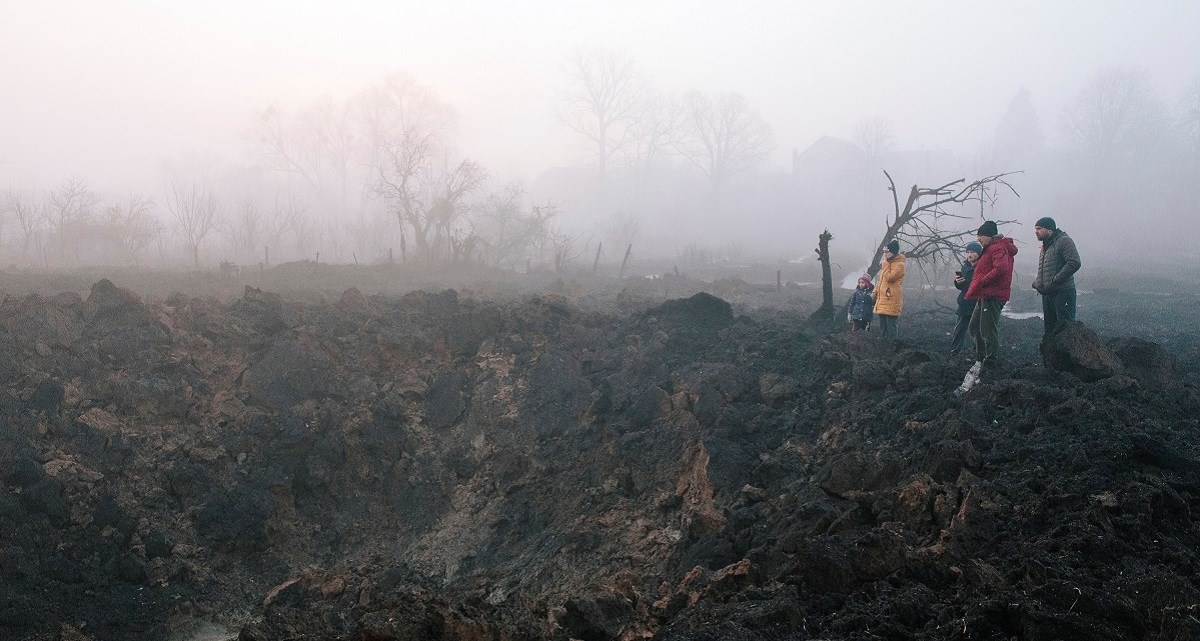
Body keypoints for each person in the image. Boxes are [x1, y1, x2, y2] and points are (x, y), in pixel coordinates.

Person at [964, 221, 1017, 373]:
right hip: (985, 294)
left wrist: (983, 281)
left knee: (987, 329)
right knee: (974, 326)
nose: (978, 239)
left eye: (980, 236)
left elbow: (1001, 268)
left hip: (993, 295)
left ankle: (990, 360)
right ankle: (981, 356)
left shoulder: (997, 248)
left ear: (988, 235)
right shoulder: (990, 249)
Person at [1031, 216, 1081, 336]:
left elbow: (1074, 262)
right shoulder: (1046, 245)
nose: (1036, 232)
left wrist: (1056, 280)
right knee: (1050, 331)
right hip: (1048, 293)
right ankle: (1052, 355)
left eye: (1039, 228)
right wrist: (1038, 283)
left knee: (1066, 330)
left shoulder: (1064, 241)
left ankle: (1067, 355)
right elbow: (1045, 268)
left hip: (1063, 292)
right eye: (1035, 229)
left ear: (1049, 230)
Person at [949, 241, 982, 354]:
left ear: (978, 253)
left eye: (972, 252)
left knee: (978, 331)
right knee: (959, 330)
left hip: (977, 304)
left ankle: (978, 353)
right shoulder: (966, 267)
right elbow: (962, 287)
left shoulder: (982, 268)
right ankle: (955, 352)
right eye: (967, 252)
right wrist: (958, 282)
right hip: (964, 303)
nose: (969, 254)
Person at [873, 239, 906, 339]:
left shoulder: (900, 265)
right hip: (883, 299)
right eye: (884, 252)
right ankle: (884, 343)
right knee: (883, 324)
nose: (885, 254)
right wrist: (875, 292)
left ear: (893, 252)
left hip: (891, 299)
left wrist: (886, 265)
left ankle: (892, 344)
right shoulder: (887, 264)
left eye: (887, 252)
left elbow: (890, 278)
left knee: (891, 325)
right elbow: (881, 281)